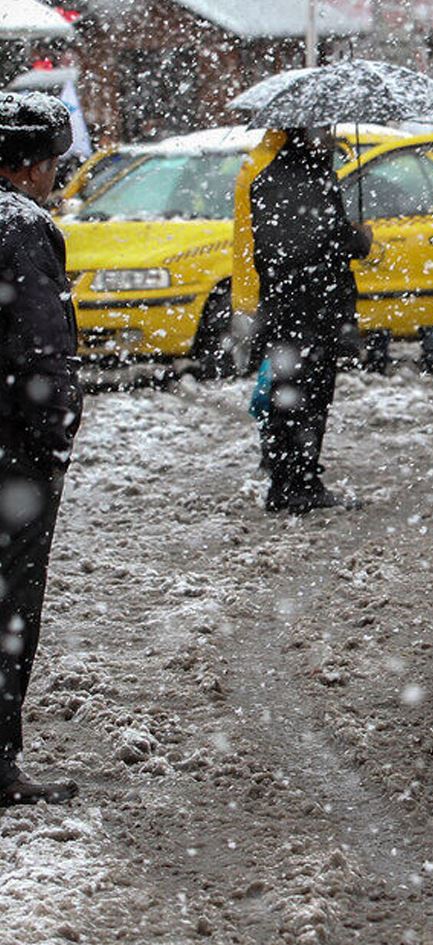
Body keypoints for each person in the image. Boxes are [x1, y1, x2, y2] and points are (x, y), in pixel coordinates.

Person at [0, 92, 82, 806]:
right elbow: (41, 350)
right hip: (12, 458)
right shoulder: (23, 229)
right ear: (29, 166)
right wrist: (55, 435)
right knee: (10, 607)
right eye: (54, 162)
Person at [249, 127, 372, 514]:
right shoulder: (308, 179)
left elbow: (283, 247)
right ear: (304, 133)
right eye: (324, 130)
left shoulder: (270, 177)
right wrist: (356, 241)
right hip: (310, 311)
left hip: (289, 310)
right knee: (307, 397)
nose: (330, 136)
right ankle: (296, 482)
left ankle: (290, 478)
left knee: (292, 395)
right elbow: (313, 244)